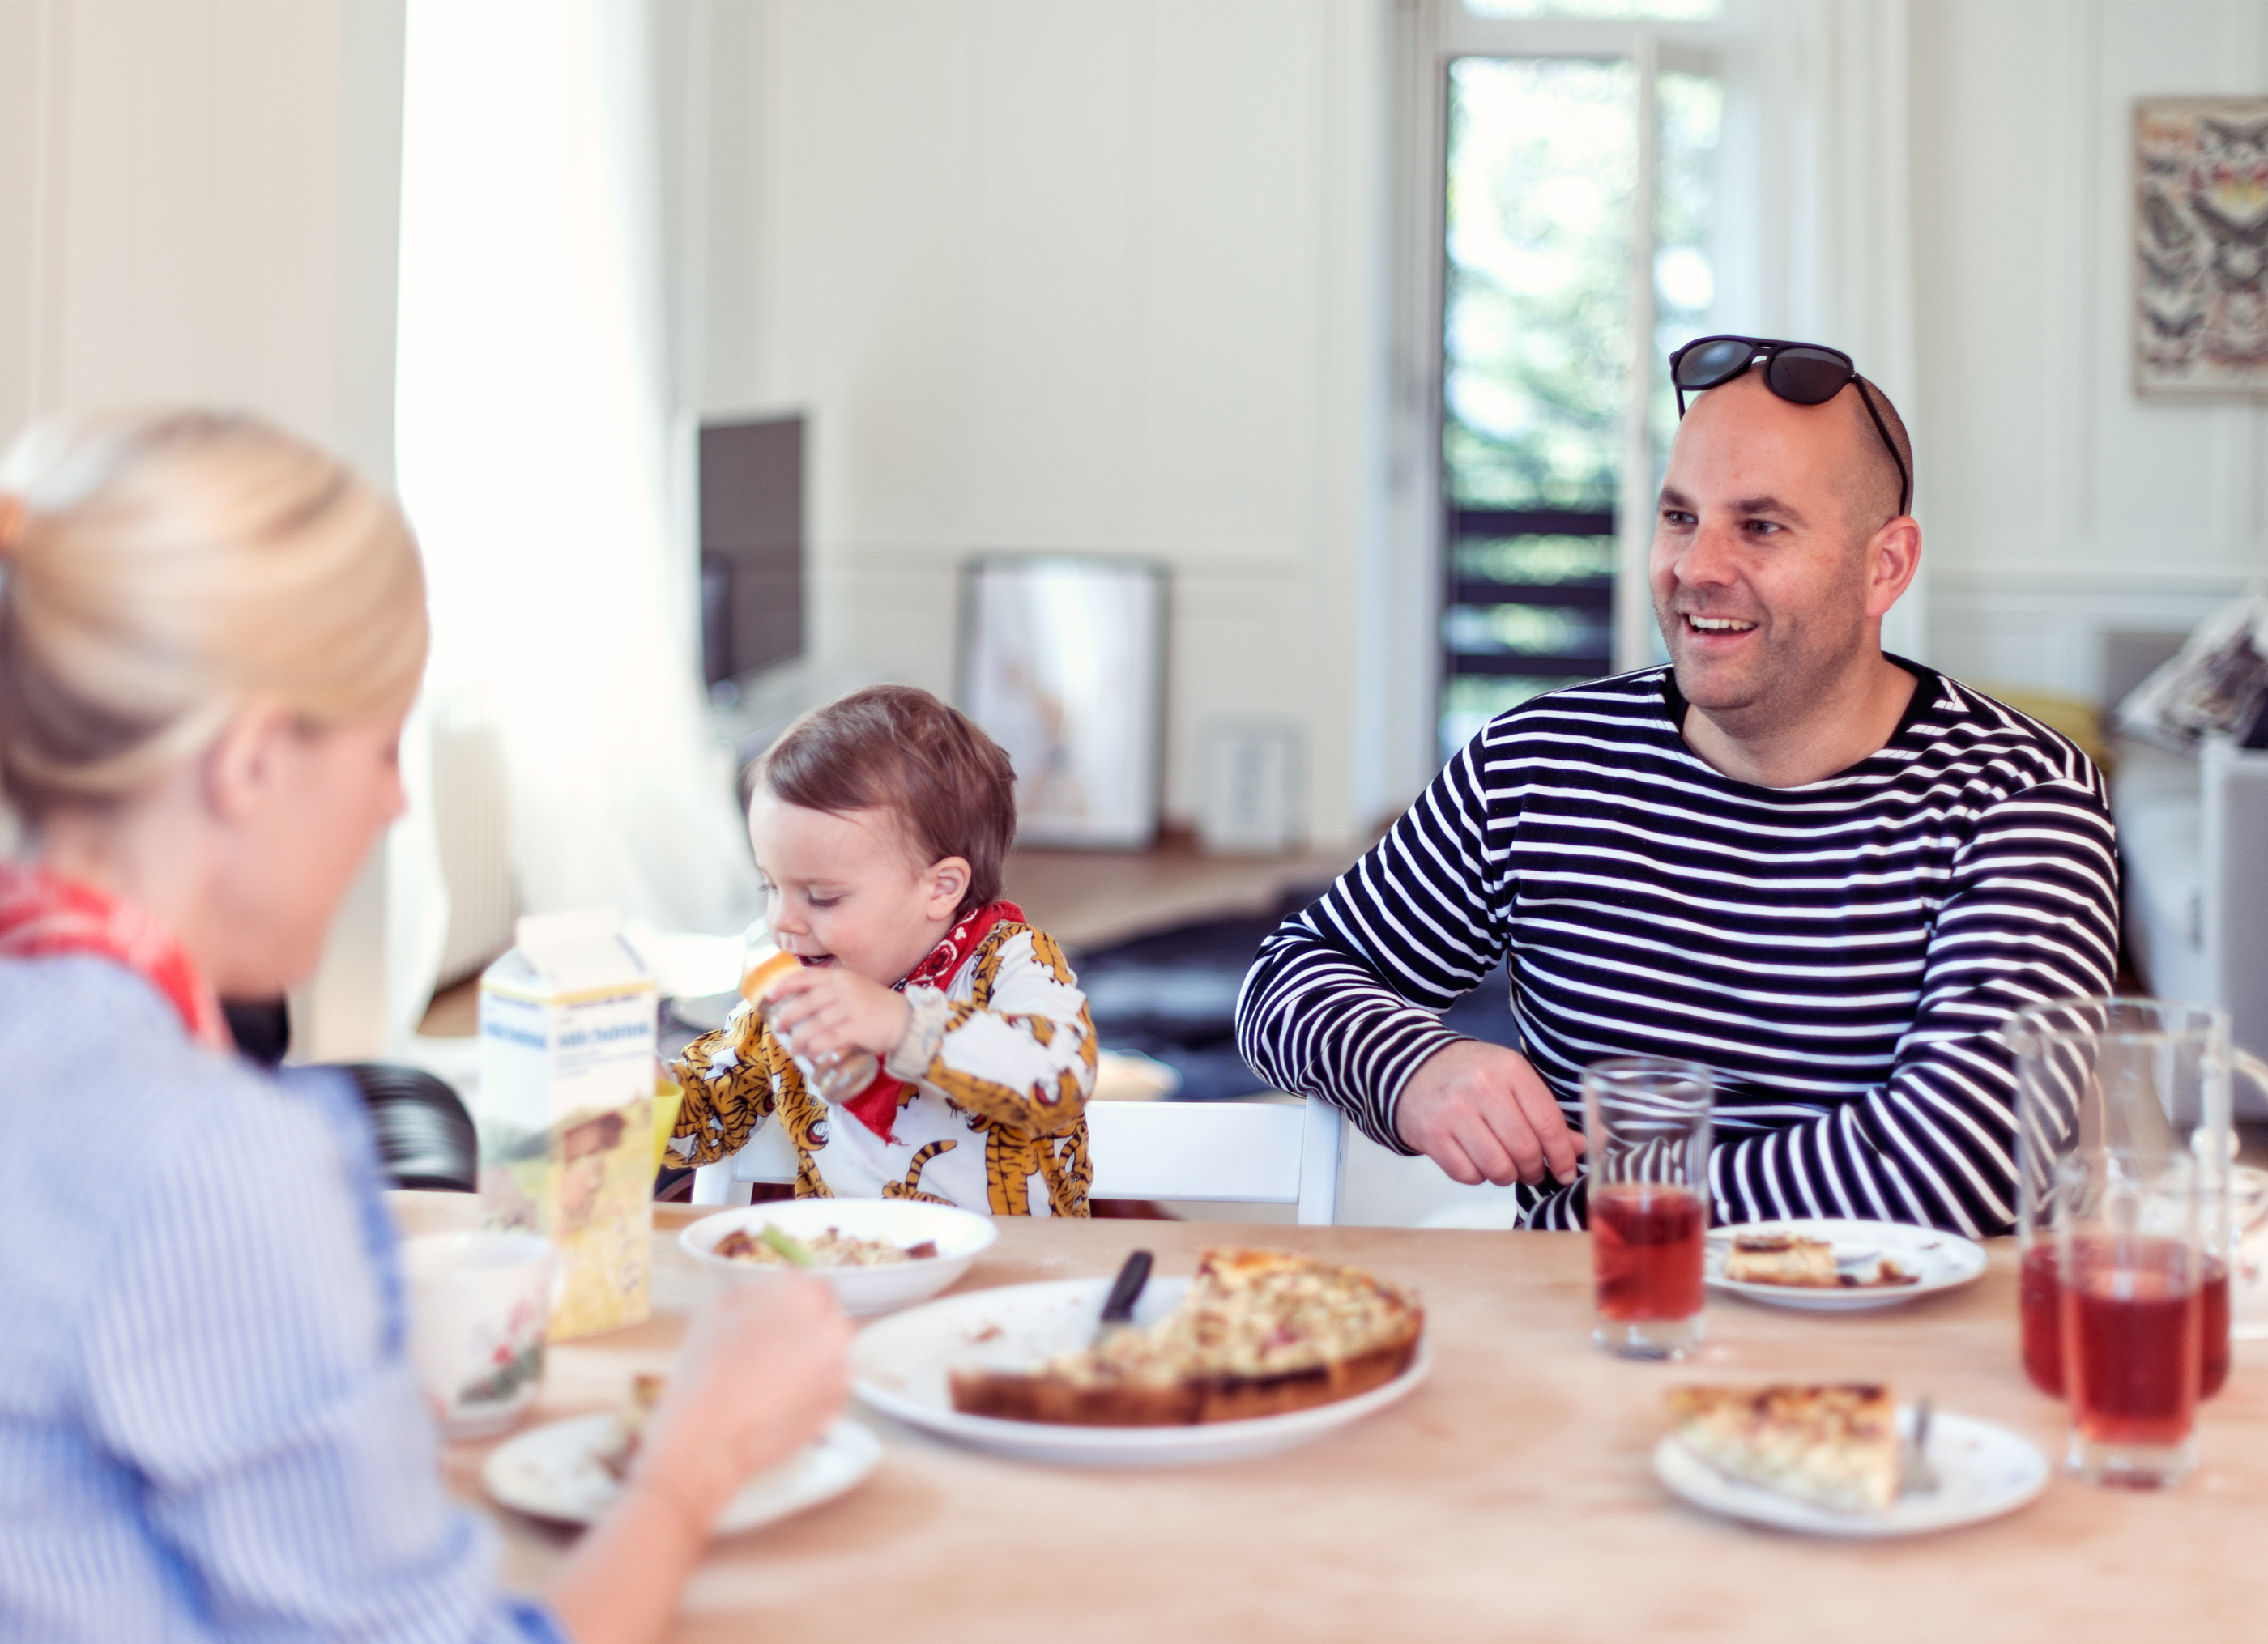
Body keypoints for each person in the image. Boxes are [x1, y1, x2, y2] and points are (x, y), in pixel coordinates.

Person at [0, 411, 853, 1644]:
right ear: (248, 762)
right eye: (383, 746)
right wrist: (702, 1447)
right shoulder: (213, 1155)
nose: (398, 800)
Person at [1237, 336, 2120, 1233]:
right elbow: (1283, 983)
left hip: (1886, 1345)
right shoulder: (1541, 759)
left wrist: (1610, 1206)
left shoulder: (2021, 800)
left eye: (1761, 525)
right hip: (1594, 1331)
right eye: (1679, 517)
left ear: (1882, 566)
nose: (1696, 568)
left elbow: (1959, 1165)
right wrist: (1408, 1067)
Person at [668, 687, 1097, 1216]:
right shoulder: (788, 1004)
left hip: (1018, 1279)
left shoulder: (1011, 961)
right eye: (769, 888)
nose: (781, 920)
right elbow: (704, 1119)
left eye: (821, 897)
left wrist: (900, 1023)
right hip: (855, 1273)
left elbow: (1060, 1078)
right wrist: (640, 1095)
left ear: (940, 889)